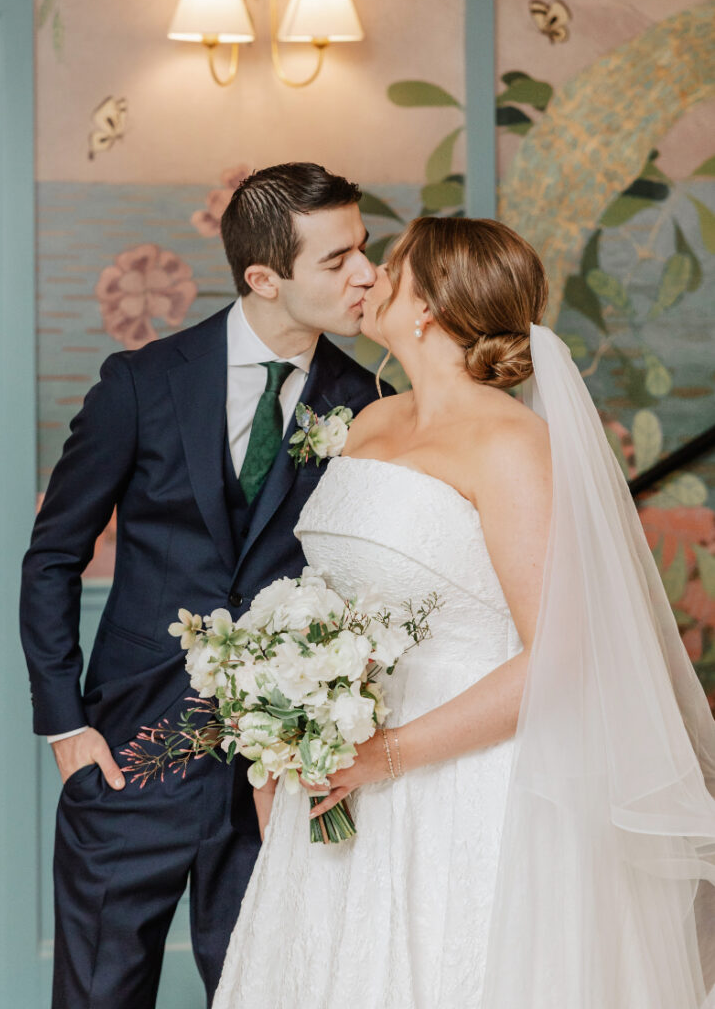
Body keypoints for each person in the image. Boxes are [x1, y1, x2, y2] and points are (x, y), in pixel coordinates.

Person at [214, 216, 715, 1009]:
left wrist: (388, 755)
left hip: (458, 785)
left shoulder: (512, 447)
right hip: (338, 779)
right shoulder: (372, 420)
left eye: (393, 265)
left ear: (427, 307)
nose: (371, 275)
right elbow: (329, 607)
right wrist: (286, 724)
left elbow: (562, 652)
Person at [20, 162, 384, 1009]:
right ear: (264, 277)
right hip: (129, 760)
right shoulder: (140, 386)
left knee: (268, 994)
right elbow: (52, 557)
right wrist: (65, 728)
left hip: (278, 781)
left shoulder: (369, 403)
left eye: (364, 248)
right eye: (338, 260)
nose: (367, 273)